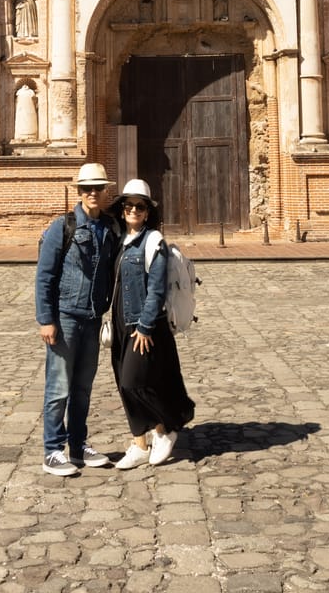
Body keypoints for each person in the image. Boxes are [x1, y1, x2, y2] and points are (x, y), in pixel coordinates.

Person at [35, 162, 120, 475]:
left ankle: (78, 444)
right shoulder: (62, 227)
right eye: (87, 188)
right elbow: (45, 275)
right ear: (79, 192)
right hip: (66, 317)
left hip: (93, 317)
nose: (93, 193)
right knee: (59, 387)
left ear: (106, 191)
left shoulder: (110, 228)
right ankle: (52, 450)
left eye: (98, 188)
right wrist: (46, 319)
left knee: (83, 388)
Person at [109, 179, 195, 469]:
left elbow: (156, 289)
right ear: (122, 210)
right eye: (129, 205)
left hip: (142, 323)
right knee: (123, 384)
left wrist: (145, 326)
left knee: (134, 381)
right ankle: (139, 444)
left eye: (140, 206)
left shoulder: (153, 241)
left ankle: (166, 427)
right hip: (120, 321)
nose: (134, 210)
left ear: (147, 212)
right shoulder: (119, 240)